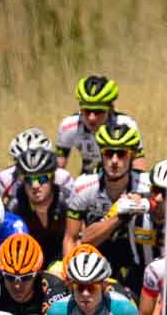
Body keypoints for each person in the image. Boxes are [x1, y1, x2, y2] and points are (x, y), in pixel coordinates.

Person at [64, 122, 156, 297]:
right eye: (108, 154)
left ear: (132, 157)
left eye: (121, 154)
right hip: (96, 258)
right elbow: (74, 239)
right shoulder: (84, 186)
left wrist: (147, 204)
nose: (114, 161)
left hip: (137, 261)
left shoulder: (147, 186)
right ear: (101, 155)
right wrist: (118, 217)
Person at [1, 143, 73, 268]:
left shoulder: (66, 200)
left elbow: (77, 239)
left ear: (53, 177)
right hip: (28, 263)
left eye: (42, 178)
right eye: (28, 179)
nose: (35, 185)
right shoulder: (15, 205)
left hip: (63, 260)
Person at [55, 75, 143, 176]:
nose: (92, 117)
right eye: (86, 111)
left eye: (98, 111)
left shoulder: (127, 125)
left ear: (110, 109)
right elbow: (57, 172)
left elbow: (139, 170)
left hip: (122, 180)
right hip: (89, 179)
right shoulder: (68, 126)